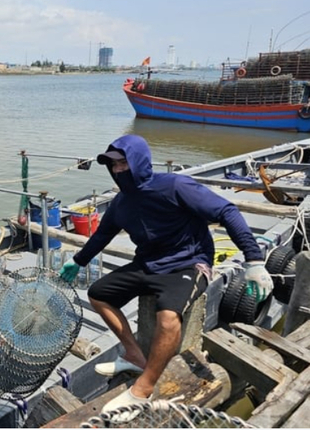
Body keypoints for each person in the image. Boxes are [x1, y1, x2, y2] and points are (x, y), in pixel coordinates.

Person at [59, 134, 272, 413]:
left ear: (138, 161)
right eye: (114, 166)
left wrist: (253, 260)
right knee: (99, 294)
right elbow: (102, 235)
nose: (119, 170)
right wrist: (79, 260)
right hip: (148, 263)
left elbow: (227, 210)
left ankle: (143, 390)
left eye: (124, 163)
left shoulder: (175, 185)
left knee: (168, 317)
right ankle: (135, 356)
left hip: (189, 263)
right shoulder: (121, 203)